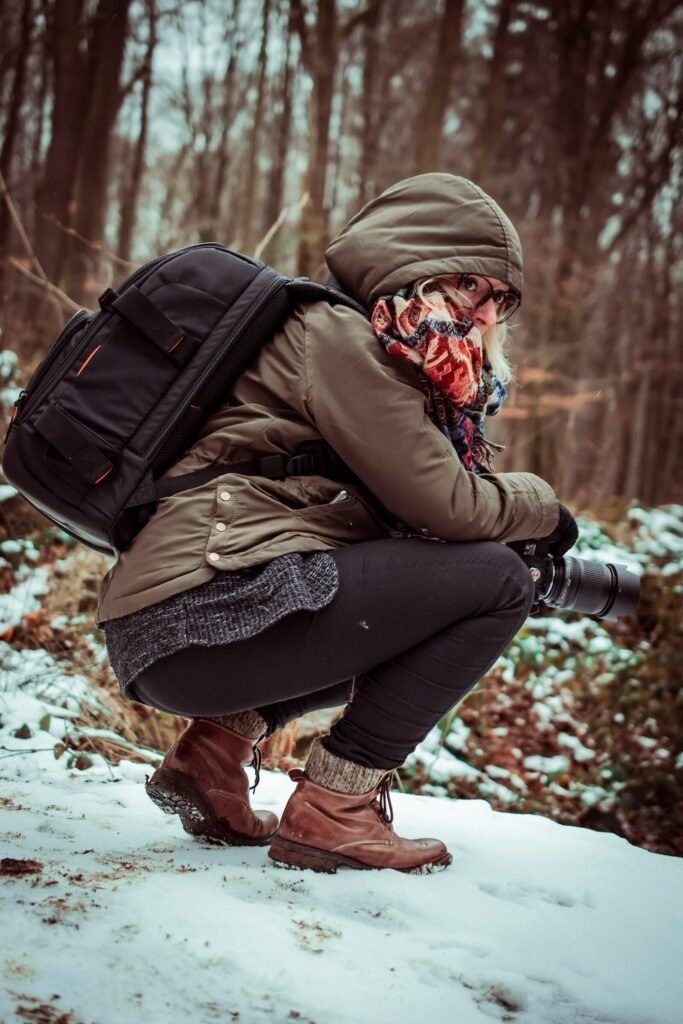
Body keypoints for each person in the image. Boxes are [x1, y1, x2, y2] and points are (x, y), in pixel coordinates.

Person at [97, 172, 578, 875]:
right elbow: (446, 504)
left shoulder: (372, 346)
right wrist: (541, 505)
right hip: (199, 612)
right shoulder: (343, 340)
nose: (483, 315)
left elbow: (403, 529)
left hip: (182, 622)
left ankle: (211, 757)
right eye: (470, 287)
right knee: (499, 582)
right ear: (416, 261)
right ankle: (334, 809)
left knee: (432, 593)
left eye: (498, 301)